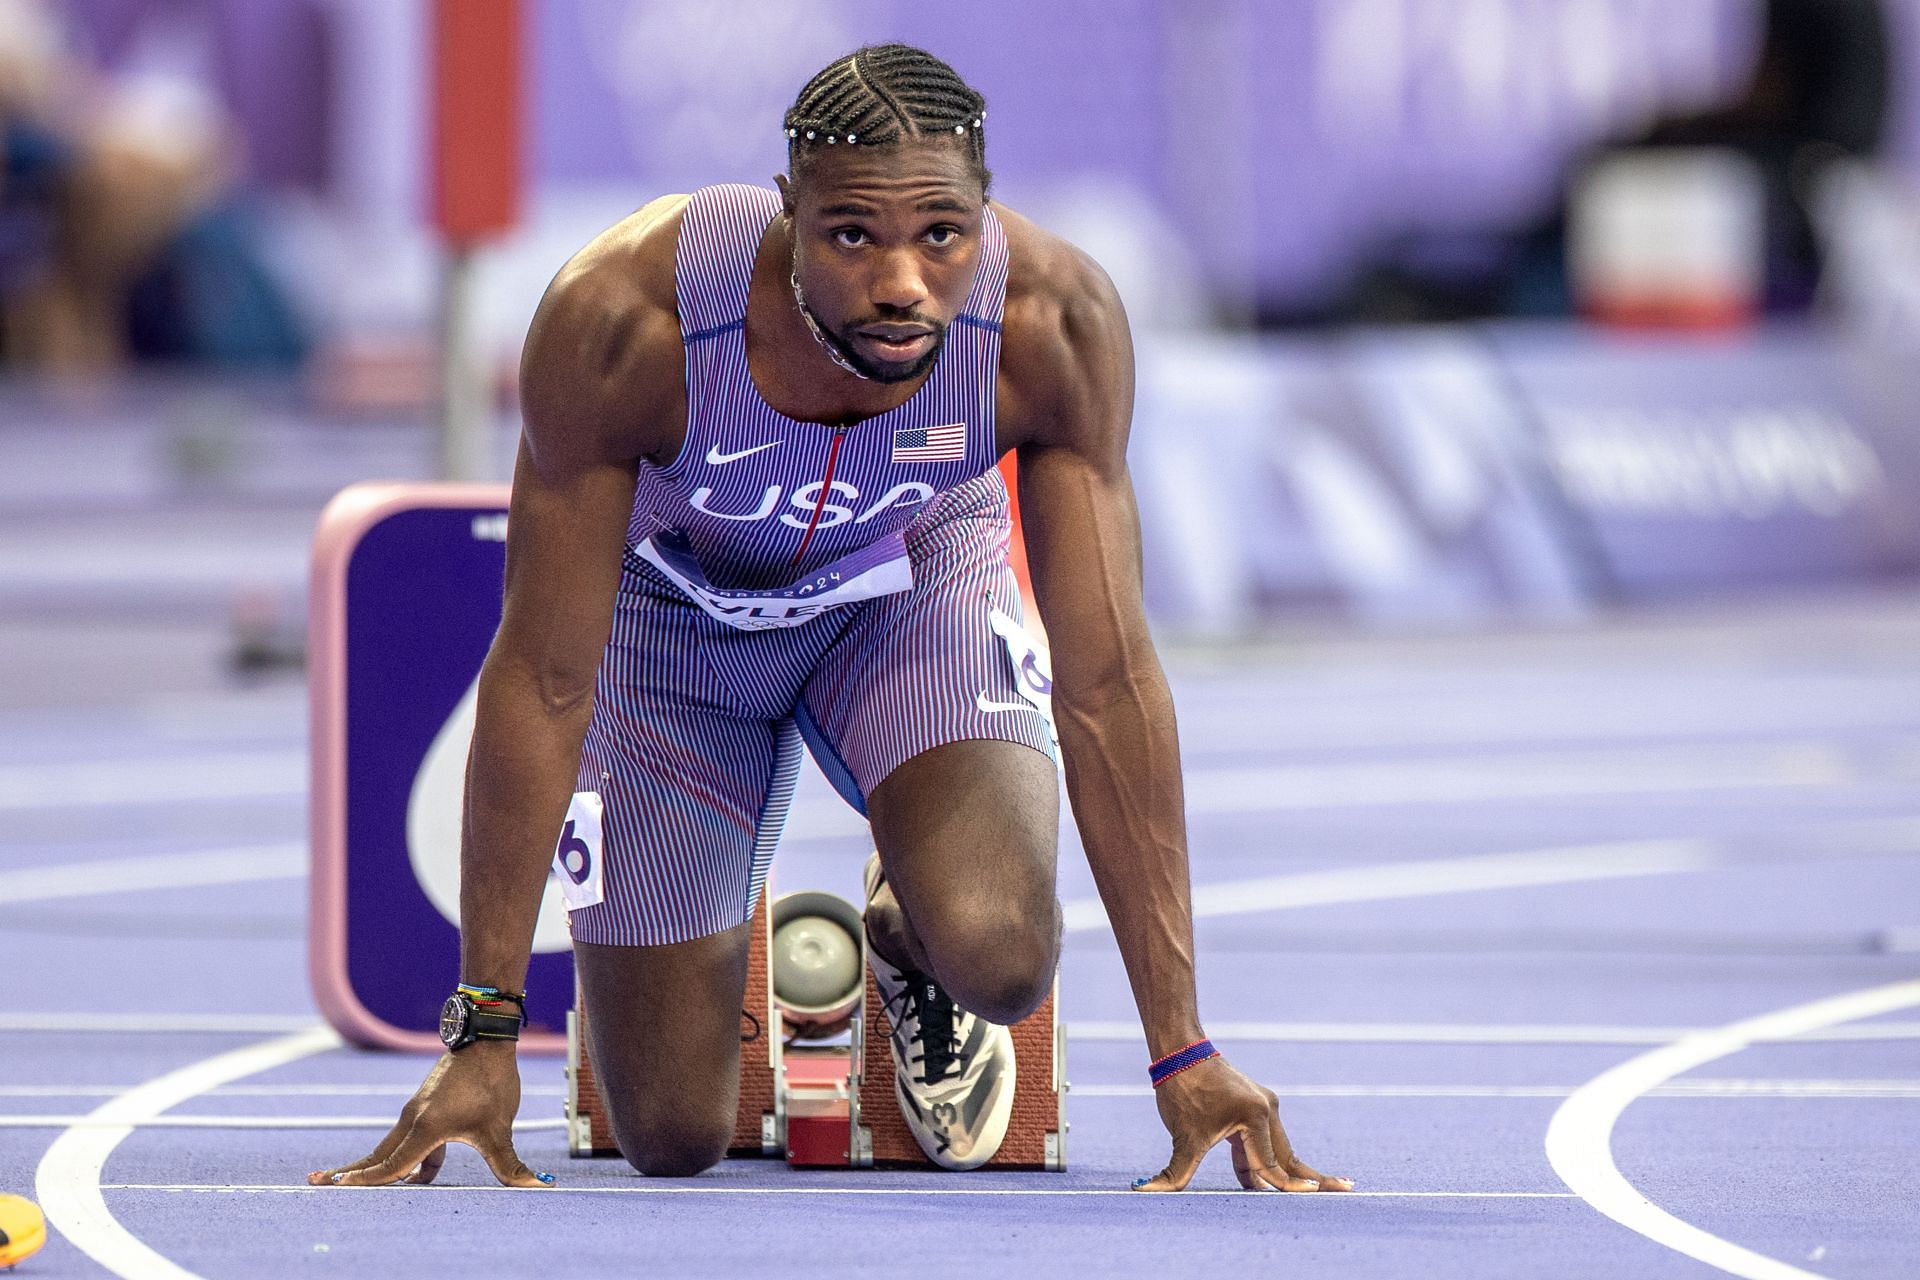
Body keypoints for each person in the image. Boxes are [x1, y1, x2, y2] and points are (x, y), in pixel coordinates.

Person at [310, 43, 1350, 1194]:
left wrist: (1185, 1048)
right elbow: (544, 676)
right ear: (788, 213)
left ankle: (909, 932)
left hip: (906, 590)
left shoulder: (1052, 326)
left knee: (1002, 950)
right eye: (853, 235)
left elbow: (1107, 681)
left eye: (941, 236)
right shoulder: (623, 318)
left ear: (984, 219)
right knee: (668, 1133)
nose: (903, 281)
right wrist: (483, 1032)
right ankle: (689, 956)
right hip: (675, 626)